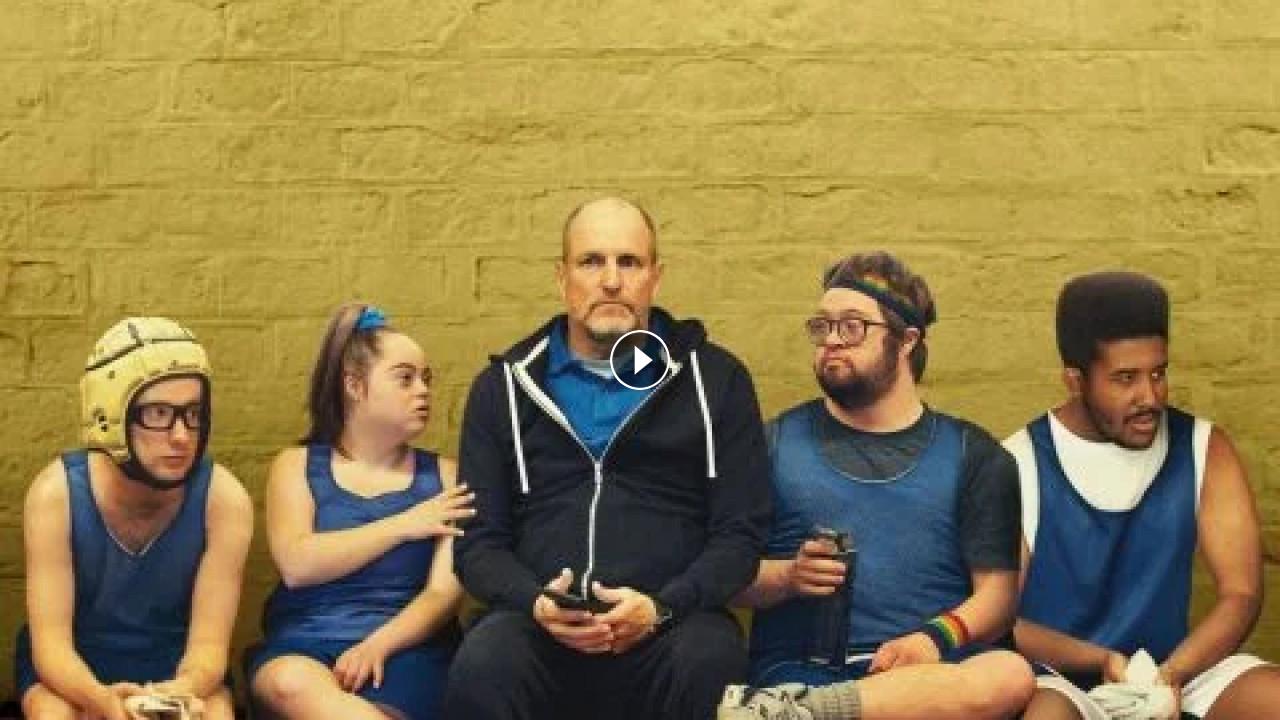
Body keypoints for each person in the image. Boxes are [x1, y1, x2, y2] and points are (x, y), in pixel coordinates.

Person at [443, 196, 773, 720]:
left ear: (655, 278)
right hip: (539, 628)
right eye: (591, 261)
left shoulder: (716, 381)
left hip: (672, 624)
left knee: (711, 660)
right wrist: (535, 602)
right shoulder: (503, 388)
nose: (612, 280)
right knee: (484, 664)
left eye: (630, 262)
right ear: (562, 278)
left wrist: (663, 607)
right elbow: (478, 544)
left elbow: (741, 535)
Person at [720, 252, 1034, 720]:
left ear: (907, 341)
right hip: (802, 676)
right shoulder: (771, 446)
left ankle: (825, 712)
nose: (831, 340)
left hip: (935, 680)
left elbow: (998, 597)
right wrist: (788, 577)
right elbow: (722, 580)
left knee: (1008, 674)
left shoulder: (975, 455)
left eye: (852, 327)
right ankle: (808, 708)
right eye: (822, 326)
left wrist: (932, 639)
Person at [1007, 271, 1280, 720]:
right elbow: (1000, 621)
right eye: (1125, 378)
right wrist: (1101, 660)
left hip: (1177, 671)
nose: (1149, 397)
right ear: (1075, 380)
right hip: (1063, 682)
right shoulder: (1019, 462)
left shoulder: (1203, 446)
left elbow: (1242, 592)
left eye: (1158, 373)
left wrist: (1173, 674)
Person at [16, 317, 253, 720]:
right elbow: (52, 647)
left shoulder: (224, 499)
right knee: (51, 714)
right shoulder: (55, 495)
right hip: (73, 671)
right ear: (110, 414)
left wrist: (177, 693)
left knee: (215, 715)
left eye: (193, 414)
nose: (181, 436)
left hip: (179, 669)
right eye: (158, 413)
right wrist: (99, 699)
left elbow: (209, 648)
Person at [248, 304, 473, 720]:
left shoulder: (446, 477)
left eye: (426, 379)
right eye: (405, 378)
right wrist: (404, 525)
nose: (423, 391)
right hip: (305, 644)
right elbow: (298, 563)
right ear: (354, 385)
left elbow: (443, 594)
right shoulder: (296, 465)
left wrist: (377, 646)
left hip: (405, 649)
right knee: (287, 684)